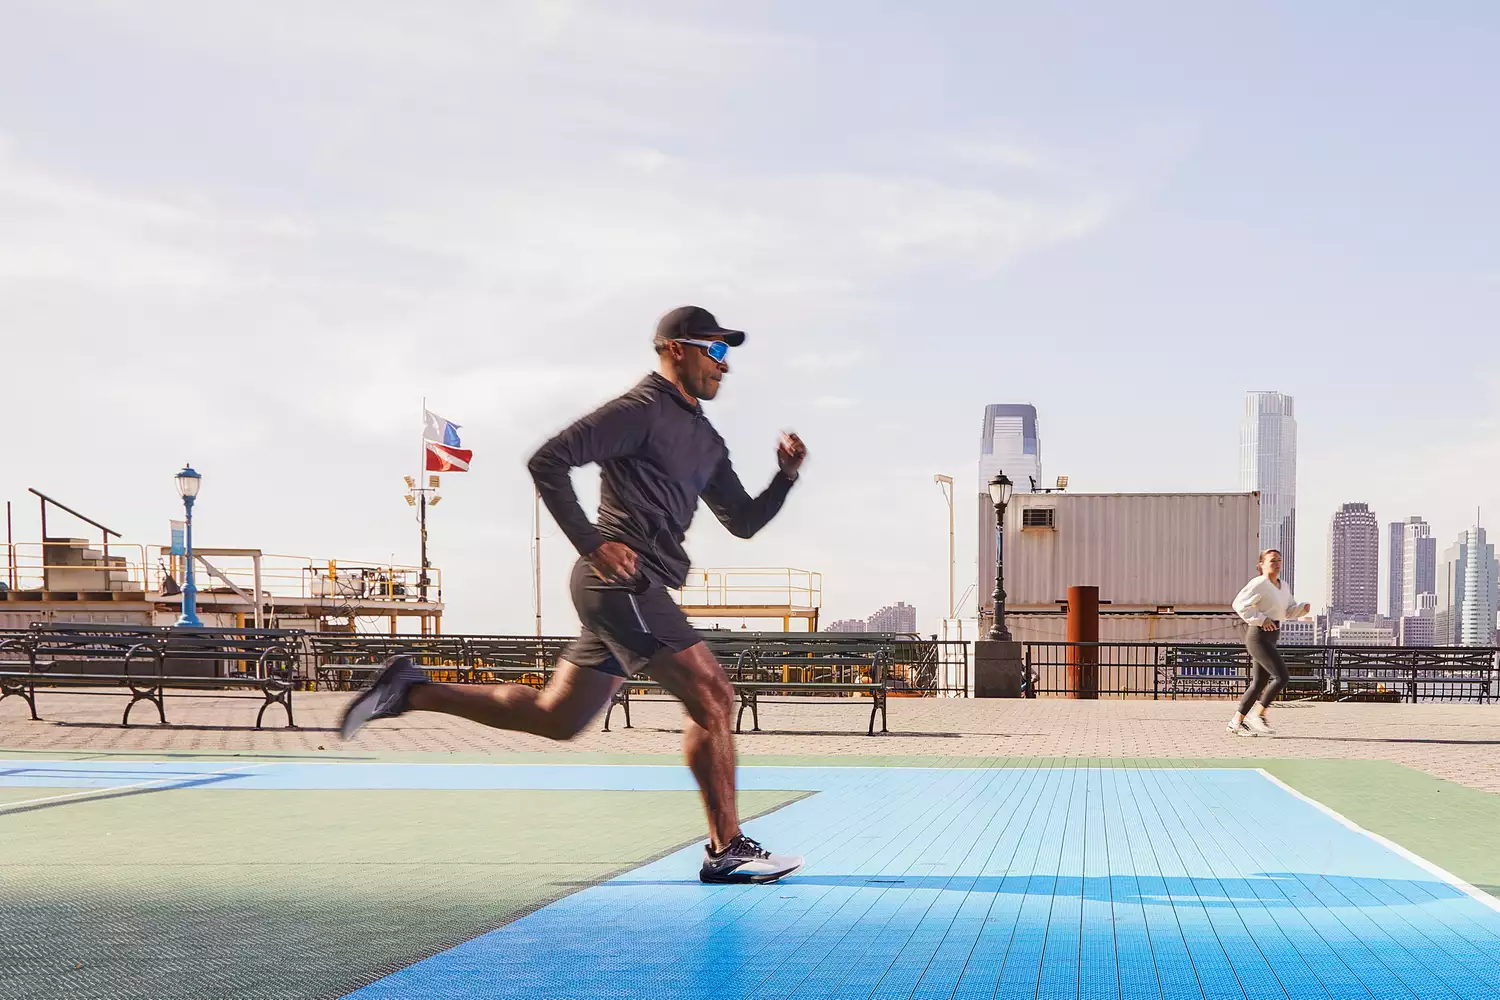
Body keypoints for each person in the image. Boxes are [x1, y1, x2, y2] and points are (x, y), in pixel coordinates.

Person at [340, 305, 808, 885]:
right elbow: (549, 461)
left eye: (727, 354)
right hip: (620, 581)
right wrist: (591, 544)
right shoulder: (639, 411)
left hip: (638, 589)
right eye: (714, 352)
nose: (724, 367)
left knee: (556, 717)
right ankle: (726, 847)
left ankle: (410, 690)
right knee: (713, 696)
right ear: (674, 349)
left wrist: (785, 477)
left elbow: (742, 520)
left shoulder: (707, 441)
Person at [1228, 548, 1308, 736]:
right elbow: (1238, 604)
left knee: (1259, 683)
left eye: (1279, 560)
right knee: (1282, 677)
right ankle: (1258, 714)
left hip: (1272, 637)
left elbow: (1287, 611)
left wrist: (1302, 609)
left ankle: (1235, 722)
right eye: (1272, 560)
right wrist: (1261, 619)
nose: (1277, 563)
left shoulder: (1284, 586)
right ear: (1261, 565)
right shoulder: (1259, 583)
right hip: (1258, 636)